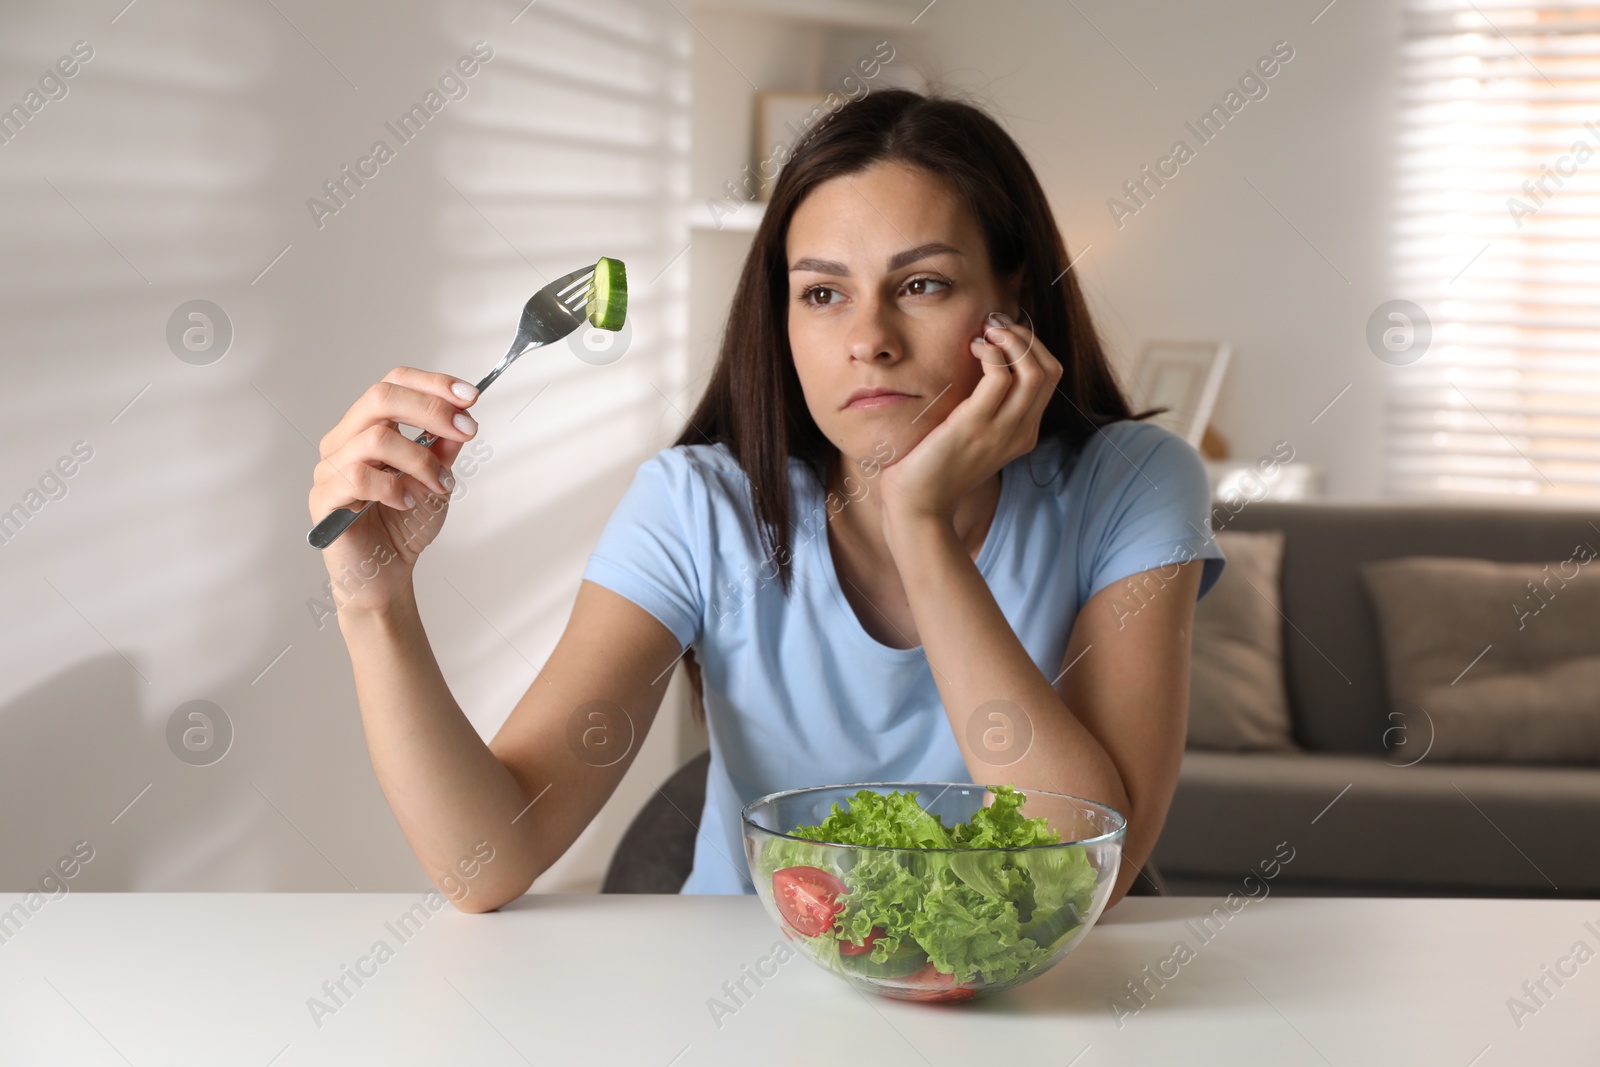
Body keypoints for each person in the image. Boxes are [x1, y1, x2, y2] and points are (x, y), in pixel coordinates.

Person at [308, 86, 1226, 915]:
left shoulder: (1134, 484)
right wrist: (374, 602)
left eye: (922, 285)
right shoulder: (700, 507)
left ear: (1012, 302)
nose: (868, 338)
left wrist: (919, 526)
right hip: (745, 994)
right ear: (780, 319)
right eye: (822, 292)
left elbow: (1076, 877)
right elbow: (485, 860)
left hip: (1022, 999)